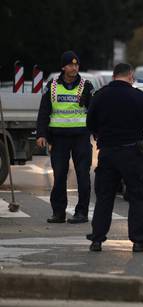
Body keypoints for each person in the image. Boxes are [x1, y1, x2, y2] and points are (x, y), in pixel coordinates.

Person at [86, 63, 143, 252]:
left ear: (114, 76)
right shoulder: (138, 96)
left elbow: (89, 122)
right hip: (131, 154)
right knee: (137, 196)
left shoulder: (100, 96)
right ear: (130, 76)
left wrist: (101, 131)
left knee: (104, 197)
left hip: (107, 153)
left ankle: (97, 239)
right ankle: (139, 241)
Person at [36, 50, 94, 224]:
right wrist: (41, 134)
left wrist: (97, 132)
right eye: (70, 64)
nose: (74, 67)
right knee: (59, 175)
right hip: (59, 138)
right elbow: (44, 112)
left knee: (83, 175)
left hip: (81, 137)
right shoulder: (52, 86)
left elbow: (95, 112)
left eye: (76, 65)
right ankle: (58, 213)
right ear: (63, 67)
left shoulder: (87, 85)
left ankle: (81, 213)